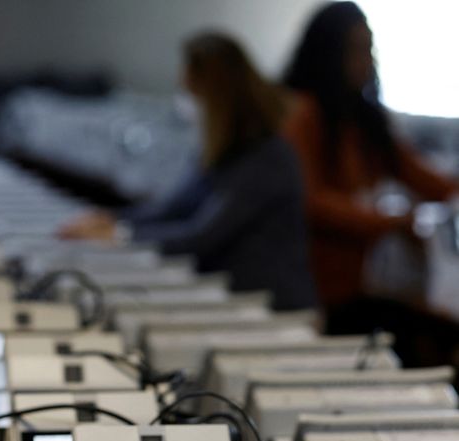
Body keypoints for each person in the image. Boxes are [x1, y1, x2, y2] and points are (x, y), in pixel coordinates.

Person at [59, 32, 316, 311]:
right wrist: (110, 219)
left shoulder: (267, 157)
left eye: (191, 91)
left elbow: (201, 236)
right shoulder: (221, 150)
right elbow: (171, 208)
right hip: (241, 301)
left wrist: (118, 235)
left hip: (276, 310)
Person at [282, 1, 459, 336]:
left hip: (360, 283)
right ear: (329, 53)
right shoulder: (304, 115)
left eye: (368, 49)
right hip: (317, 290)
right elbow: (312, 201)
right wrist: (389, 221)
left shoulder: (364, 119)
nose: (365, 61)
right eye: (354, 50)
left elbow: (419, 175)